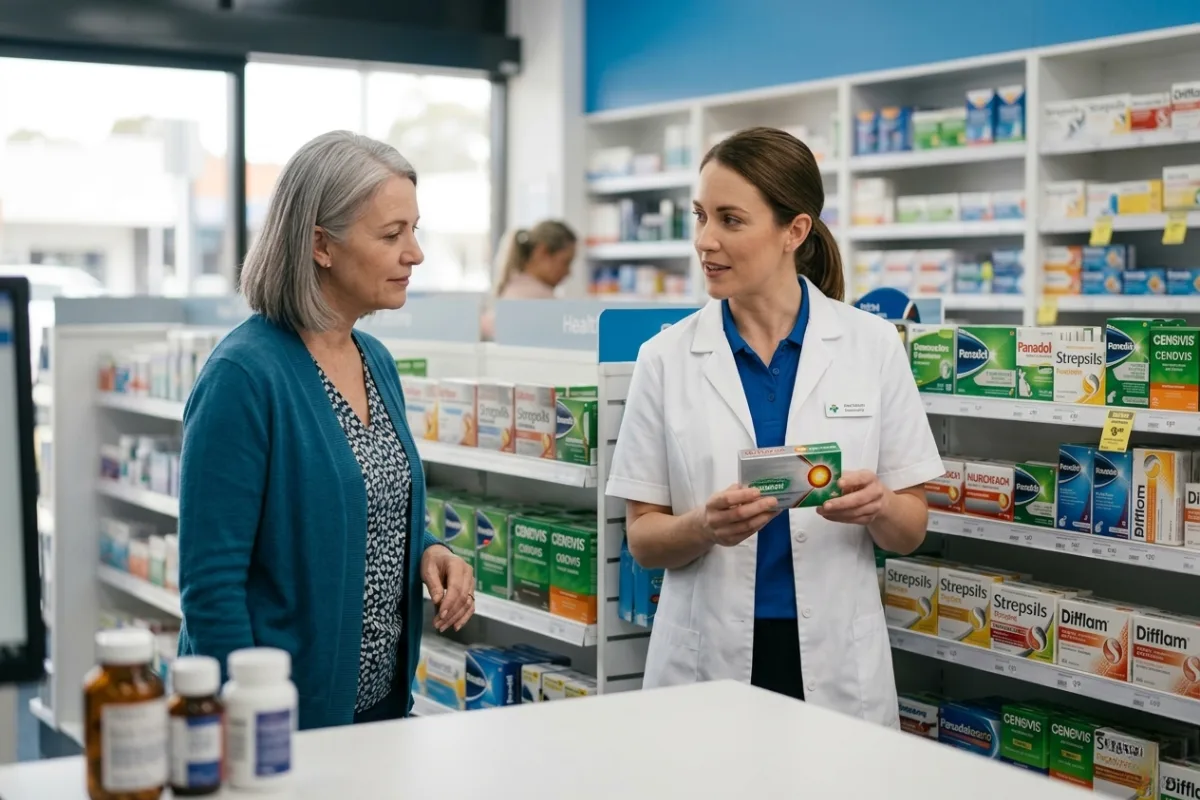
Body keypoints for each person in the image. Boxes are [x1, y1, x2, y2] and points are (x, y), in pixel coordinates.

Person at [605, 127, 942, 728]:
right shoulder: (666, 357)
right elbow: (644, 540)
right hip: (706, 655)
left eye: (731, 220)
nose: (706, 241)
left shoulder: (871, 347)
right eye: (700, 216)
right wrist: (704, 526)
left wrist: (878, 504)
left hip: (837, 657)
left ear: (795, 231)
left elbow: (911, 529)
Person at [177, 131, 475, 730]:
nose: (414, 253)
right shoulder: (244, 375)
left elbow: (359, 508)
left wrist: (428, 552)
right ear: (321, 246)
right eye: (392, 235)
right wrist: (250, 719)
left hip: (380, 714)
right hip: (282, 723)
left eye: (414, 230)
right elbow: (211, 586)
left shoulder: (375, 360)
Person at [480, 220, 576, 340]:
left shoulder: (510, 290)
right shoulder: (543, 301)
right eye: (565, 262)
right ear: (543, 252)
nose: (568, 272)